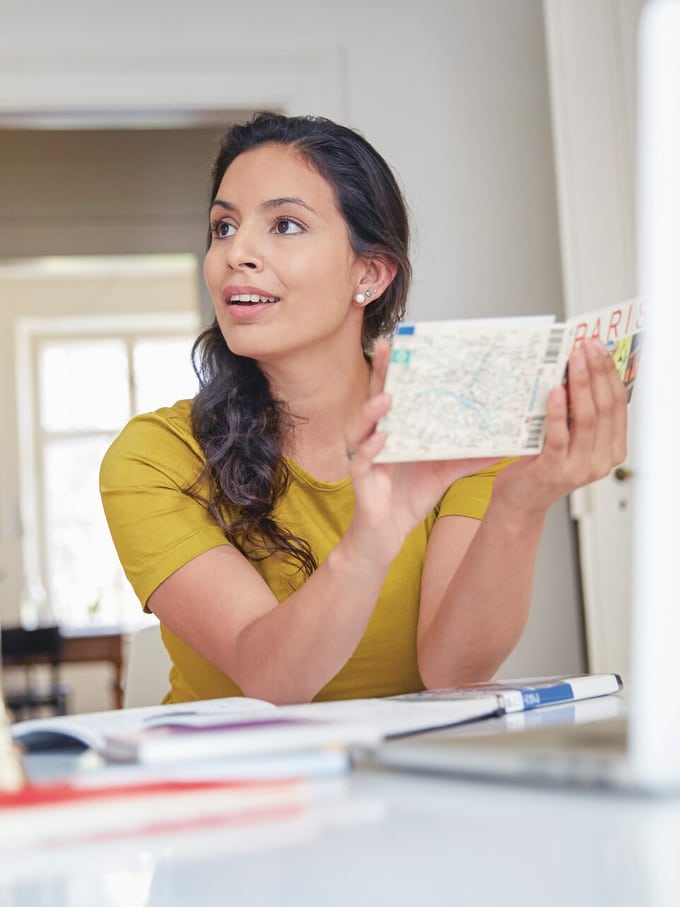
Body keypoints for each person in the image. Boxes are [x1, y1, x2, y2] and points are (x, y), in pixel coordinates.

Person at [100, 112, 627, 706]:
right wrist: (372, 538)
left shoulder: (457, 427)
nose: (236, 252)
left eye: (286, 225)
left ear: (369, 274)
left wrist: (521, 502)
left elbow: (452, 671)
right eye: (223, 227)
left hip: (406, 778)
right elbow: (270, 677)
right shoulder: (153, 457)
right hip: (242, 780)